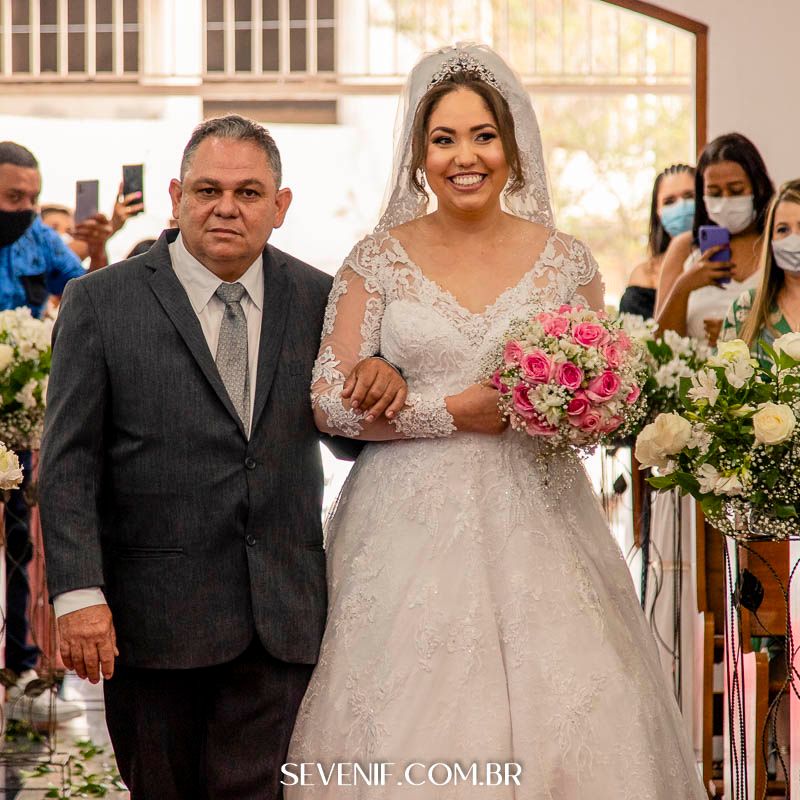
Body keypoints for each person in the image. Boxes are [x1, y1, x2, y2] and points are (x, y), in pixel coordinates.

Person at [286, 44, 705, 798]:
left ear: (512, 147)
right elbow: (329, 401)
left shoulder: (566, 261)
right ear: (419, 157)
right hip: (403, 526)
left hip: (541, 516)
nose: (464, 157)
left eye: (482, 136)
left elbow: (601, 396)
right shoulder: (376, 260)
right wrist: (447, 410)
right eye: (443, 139)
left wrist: (575, 406)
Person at [38, 115, 405, 798]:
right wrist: (79, 596)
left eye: (248, 192)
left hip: (281, 621)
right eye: (208, 190)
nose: (226, 208)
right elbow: (67, 466)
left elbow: (347, 437)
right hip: (151, 624)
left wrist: (382, 379)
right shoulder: (101, 302)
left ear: (280, 206)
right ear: (177, 197)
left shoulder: (321, 300)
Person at [0, 141, 99, 726]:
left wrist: (101, 244)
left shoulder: (39, 239)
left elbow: (90, 293)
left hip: (19, 420)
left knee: (22, 547)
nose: (26, 209)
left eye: (33, 198)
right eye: (14, 197)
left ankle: (22, 672)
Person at [655, 133, 774, 344]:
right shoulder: (684, 247)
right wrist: (683, 287)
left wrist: (741, 334)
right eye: (715, 193)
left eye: (736, 190)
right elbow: (659, 344)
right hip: (694, 365)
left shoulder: (778, 246)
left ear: (759, 187)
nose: (725, 201)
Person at [722, 179, 800, 350]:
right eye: (783, 229)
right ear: (771, 240)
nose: (794, 238)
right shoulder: (744, 309)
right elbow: (722, 366)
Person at [619, 163, 695, 319]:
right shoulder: (644, 275)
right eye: (669, 201)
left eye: (689, 196)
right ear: (658, 211)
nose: (681, 205)